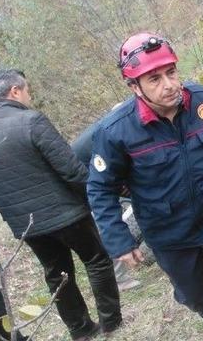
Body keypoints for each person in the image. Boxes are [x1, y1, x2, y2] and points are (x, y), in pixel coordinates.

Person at [87, 33, 203, 341]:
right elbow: (100, 189)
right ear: (134, 87)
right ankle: (201, 303)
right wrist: (119, 240)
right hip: (168, 230)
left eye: (171, 72)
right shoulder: (115, 132)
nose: (169, 85)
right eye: (154, 79)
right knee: (192, 290)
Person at [0, 69, 121, 341]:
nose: (29, 97)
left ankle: (81, 330)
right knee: (96, 260)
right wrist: (95, 197)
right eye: (27, 91)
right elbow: (71, 169)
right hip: (67, 214)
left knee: (57, 274)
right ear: (15, 91)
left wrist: (11, 211)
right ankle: (111, 323)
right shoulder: (30, 120)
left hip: (27, 226)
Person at [71, 117, 142, 292]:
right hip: (82, 181)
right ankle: (119, 279)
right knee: (106, 222)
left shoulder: (118, 125)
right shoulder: (113, 132)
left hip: (92, 173)